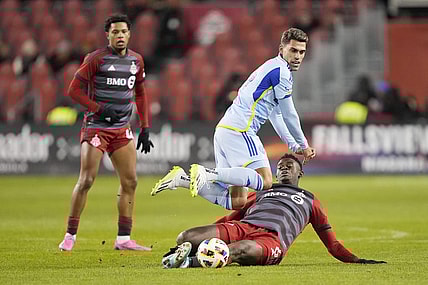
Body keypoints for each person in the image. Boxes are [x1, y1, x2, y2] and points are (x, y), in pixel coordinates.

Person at [151, 28, 316, 211]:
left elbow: (276, 114)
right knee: (265, 180)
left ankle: (183, 180)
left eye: (302, 52)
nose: (298, 56)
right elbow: (289, 114)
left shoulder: (270, 67)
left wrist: (293, 145)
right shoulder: (281, 72)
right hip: (241, 130)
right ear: (281, 49)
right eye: (293, 50)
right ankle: (207, 173)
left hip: (225, 130)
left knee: (237, 200)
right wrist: (305, 145)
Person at [161, 154, 387, 268]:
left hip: (270, 241)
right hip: (243, 227)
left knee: (240, 249)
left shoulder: (310, 201)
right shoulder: (261, 191)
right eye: (280, 167)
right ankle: (184, 252)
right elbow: (231, 218)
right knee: (187, 236)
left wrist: (357, 261)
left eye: (289, 166)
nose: (284, 168)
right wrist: (206, 234)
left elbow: (332, 244)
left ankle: (188, 262)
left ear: (300, 173)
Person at [58, 14, 154, 251]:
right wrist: (99, 108)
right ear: (107, 35)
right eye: (115, 32)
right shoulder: (96, 59)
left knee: (130, 181)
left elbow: (140, 93)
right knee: (87, 180)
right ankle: (70, 235)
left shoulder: (136, 60)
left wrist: (145, 127)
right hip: (96, 127)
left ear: (129, 34)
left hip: (122, 129)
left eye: (123, 32)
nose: (119, 36)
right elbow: (73, 90)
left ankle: (123, 239)